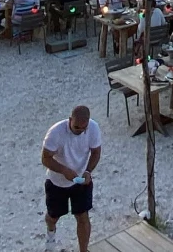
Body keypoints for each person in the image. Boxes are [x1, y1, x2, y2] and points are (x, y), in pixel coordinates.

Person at [41, 106, 103, 252]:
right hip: (57, 183)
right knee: (53, 216)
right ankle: (51, 232)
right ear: (70, 120)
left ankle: (83, 250)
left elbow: (96, 152)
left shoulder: (93, 128)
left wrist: (88, 171)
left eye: (83, 128)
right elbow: (45, 158)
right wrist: (63, 170)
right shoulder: (55, 132)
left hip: (81, 181)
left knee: (82, 216)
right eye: (76, 127)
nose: (79, 130)